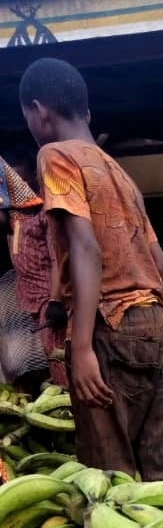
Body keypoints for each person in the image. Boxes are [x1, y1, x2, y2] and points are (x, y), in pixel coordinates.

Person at [19, 57, 163, 481]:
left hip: (108, 326)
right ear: (87, 113)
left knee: (111, 480)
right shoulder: (119, 173)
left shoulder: (55, 156)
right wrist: (154, 327)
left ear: (39, 111)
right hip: (157, 324)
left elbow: (86, 248)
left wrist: (83, 346)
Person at [1, 145, 68, 387]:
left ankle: (70, 411)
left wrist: (56, 300)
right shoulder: (14, 215)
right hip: (32, 300)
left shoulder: (44, 211)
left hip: (48, 299)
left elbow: (57, 256)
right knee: (52, 355)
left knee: (60, 357)